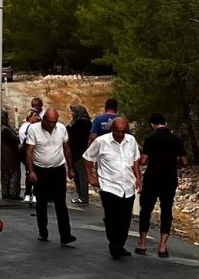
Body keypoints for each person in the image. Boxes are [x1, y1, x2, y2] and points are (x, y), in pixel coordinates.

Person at [82, 117, 141, 259]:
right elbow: (87, 158)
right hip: (109, 186)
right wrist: (91, 177)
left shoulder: (131, 141)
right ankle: (114, 244)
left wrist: (138, 178)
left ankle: (120, 244)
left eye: (123, 132)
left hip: (127, 185)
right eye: (117, 132)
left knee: (125, 219)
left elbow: (135, 160)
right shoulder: (101, 142)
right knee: (112, 217)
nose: (120, 135)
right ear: (112, 130)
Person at [136, 113, 188, 258]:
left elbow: (144, 160)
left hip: (153, 178)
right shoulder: (175, 139)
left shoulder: (150, 139)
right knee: (166, 211)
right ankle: (162, 247)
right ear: (165, 122)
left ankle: (142, 244)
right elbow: (184, 162)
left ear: (152, 125)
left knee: (146, 210)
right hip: (169, 179)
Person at [24, 108, 76, 245]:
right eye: (49, 122)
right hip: (40, 169)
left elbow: (67, 148)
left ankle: (65, 235)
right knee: (41, 202)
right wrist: (31, 171)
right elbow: (29, 152)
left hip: (58, 169)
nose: (52, 125)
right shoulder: (34, 129)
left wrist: (70, 168)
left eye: (54, 122)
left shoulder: (61, 129)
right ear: (43, 120)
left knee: (61, 202)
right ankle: (43, 230)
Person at [67, 104, 92, 204]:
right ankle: (81, 196)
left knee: (81, 176)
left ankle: (83, 197)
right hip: (75, 153)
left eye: (73, 112)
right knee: (77, 175)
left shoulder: (82, 123)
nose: (72, 114)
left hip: (80, 152)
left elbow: (74, 135)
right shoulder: (77, 122)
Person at [18, 109, 41, 202]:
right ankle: (34, 193)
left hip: (26, 152)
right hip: (32, 152)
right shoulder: (32, 127)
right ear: (30, 116)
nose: (37, 118)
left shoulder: (23, 127)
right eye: (35, 116)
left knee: (29, 172)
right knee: (35, 172)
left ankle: (28, 193)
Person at [0, 109, 22, 200]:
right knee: (13, 174)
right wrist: (17, 137)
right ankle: (13, 193)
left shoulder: (2, 128)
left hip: (5, 156)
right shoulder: (5, 129)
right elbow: (15, 140)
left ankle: (6, 192)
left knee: (5, 175)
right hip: (10, 155)